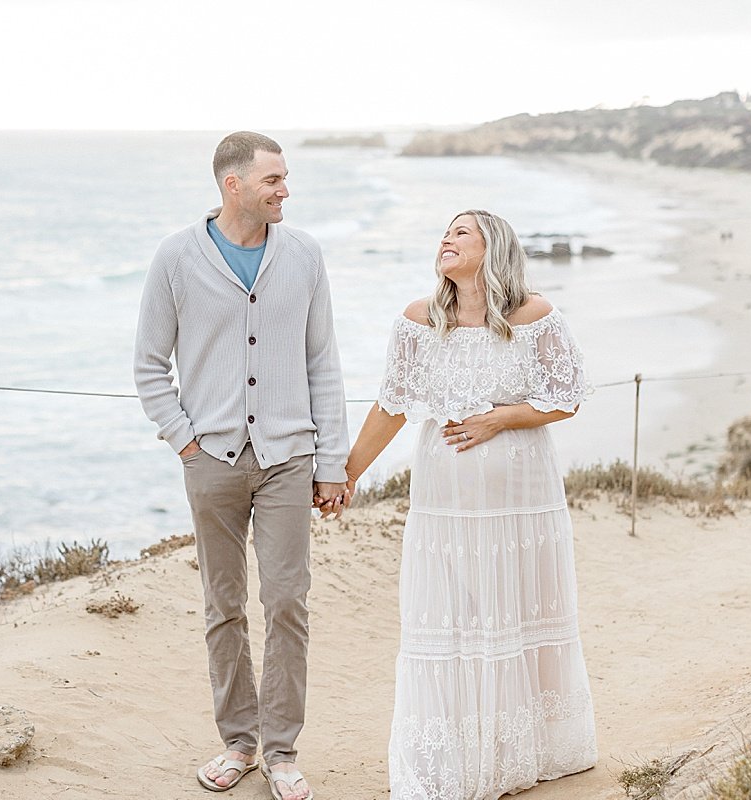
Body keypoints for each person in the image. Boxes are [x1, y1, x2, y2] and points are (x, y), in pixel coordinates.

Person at [344, 210, 598, 798]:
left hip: (522, 498)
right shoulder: (417, 322)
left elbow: (568, 397)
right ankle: (456, 753)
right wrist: (349, 473)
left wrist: (501, 419)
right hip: (443, 503)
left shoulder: (534, 316)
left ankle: (523, 747)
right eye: (444, 233)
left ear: (494, 247)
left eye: (460, 232)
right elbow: (392, 407)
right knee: (453, 615)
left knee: (513, 608)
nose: (445, 240)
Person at [133, 131, 349, 800]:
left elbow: (323, 362)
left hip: (290, 458)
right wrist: (185, 440)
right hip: (213, 460)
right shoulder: (176, 257)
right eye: (273, 180)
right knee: (223, 606)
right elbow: (148, 366)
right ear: (234, 185)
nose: (285, 189)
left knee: (287, 601)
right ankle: (238, 742)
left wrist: (332, 461)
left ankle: (282, 751)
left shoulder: (304, 254)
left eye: (285, 179)